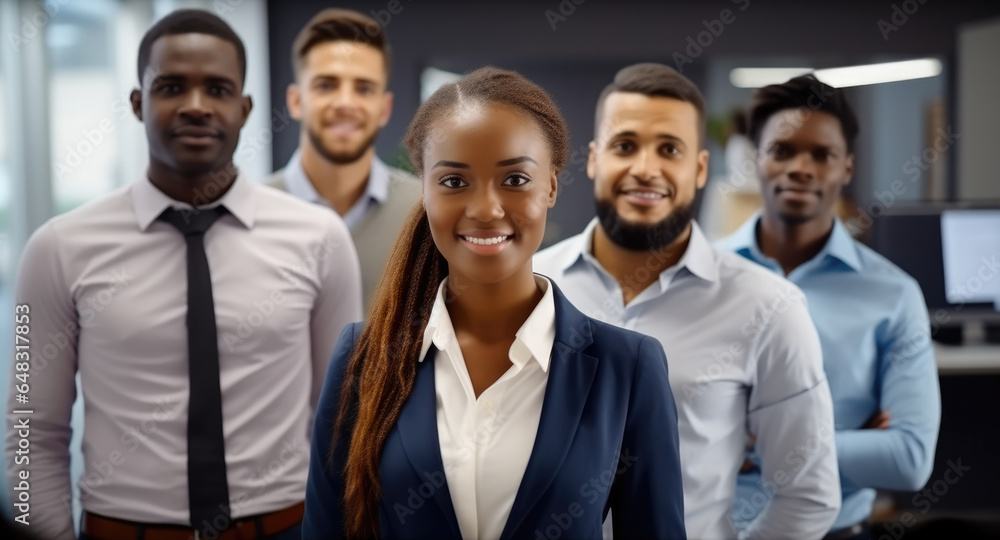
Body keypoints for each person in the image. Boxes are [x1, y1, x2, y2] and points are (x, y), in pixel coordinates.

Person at [5, 10, 362, 539]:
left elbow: (344, 417)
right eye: (172, 86)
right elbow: (31, 428)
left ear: (243, 109)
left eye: (217, 89)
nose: (196, 106)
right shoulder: (57, 248)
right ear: (137, 102)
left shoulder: (320, 238)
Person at [302, 67, 687, 540]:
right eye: (454, 182)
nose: (486, 209)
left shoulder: (627, 368)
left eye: (515, 178)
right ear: (422, 189)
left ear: (550, 186)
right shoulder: (363, 354)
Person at [533, 63, 841, 540]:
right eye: (625, 145)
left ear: (699, 169)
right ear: (594, 160)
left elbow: (808, 495)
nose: (645, 168)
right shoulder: (528, 284)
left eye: (669, 149)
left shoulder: (770, 306)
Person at [718, 74, 941, 540]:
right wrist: (843, 442)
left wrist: (745, 444)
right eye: (782, 150)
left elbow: (908, 459)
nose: (801, 167)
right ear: (755, 159)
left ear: (847, 168)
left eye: (822, 155)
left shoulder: (894, 295)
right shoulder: (699, 276)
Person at [269, 8, 421, 312]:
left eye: (364, 88)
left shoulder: (426, 210)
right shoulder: (251, 213)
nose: (345, 103)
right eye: (326, 85)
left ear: (384, 108)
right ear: (296, 101)